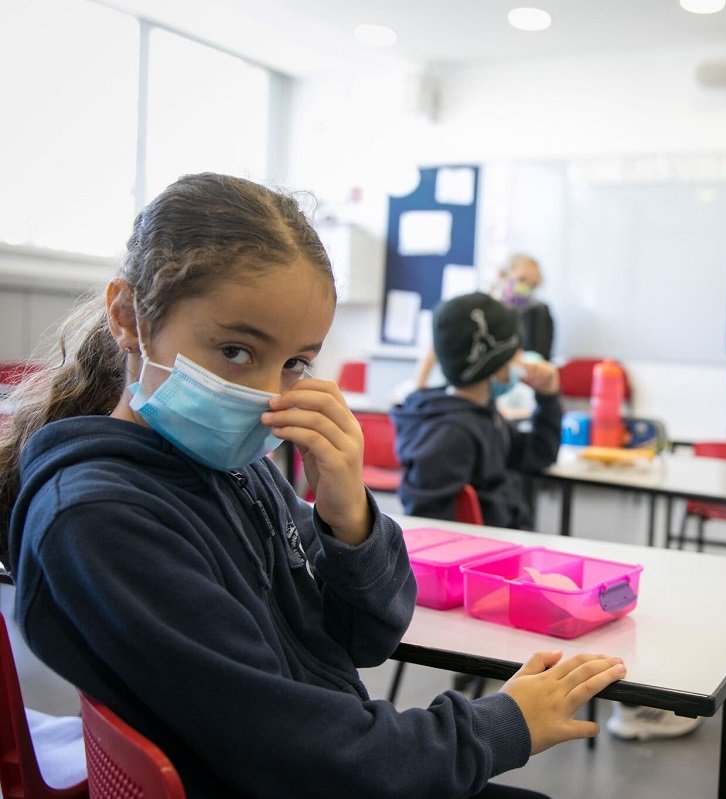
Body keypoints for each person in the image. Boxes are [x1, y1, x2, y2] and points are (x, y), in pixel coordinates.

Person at [0, 173, 625, 799]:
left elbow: (365, 638)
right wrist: (501, 724)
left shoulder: (233, 469)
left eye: (297, 362)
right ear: (127, 316)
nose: (270, 394)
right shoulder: (101, 518)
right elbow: (307, 755)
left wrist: (347, 517)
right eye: (237, 351)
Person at [392, 292, 561, 530]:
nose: (522, 359)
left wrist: (548, 397)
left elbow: (538, 454)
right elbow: (428, 527)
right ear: (493, 363)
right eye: (516, 352)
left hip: (502, 550)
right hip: (478, 559)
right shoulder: (450, 434)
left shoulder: (484, 415)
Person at [414, 254, 555, 390]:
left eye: (532, 286)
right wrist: (419, 386)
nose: (525, 290)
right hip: (466, 389)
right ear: (503, 274)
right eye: (522, 280)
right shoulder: (475, 309)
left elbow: (540, 361)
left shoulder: (537, 315)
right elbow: (437, 346)